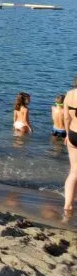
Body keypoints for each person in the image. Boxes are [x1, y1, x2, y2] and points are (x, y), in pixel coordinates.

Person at [63, 78, 77, 214]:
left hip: (72, 133)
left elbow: (66, 117)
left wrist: (67, 134)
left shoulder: (69, 93)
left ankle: (68, 204)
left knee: (74, 172)